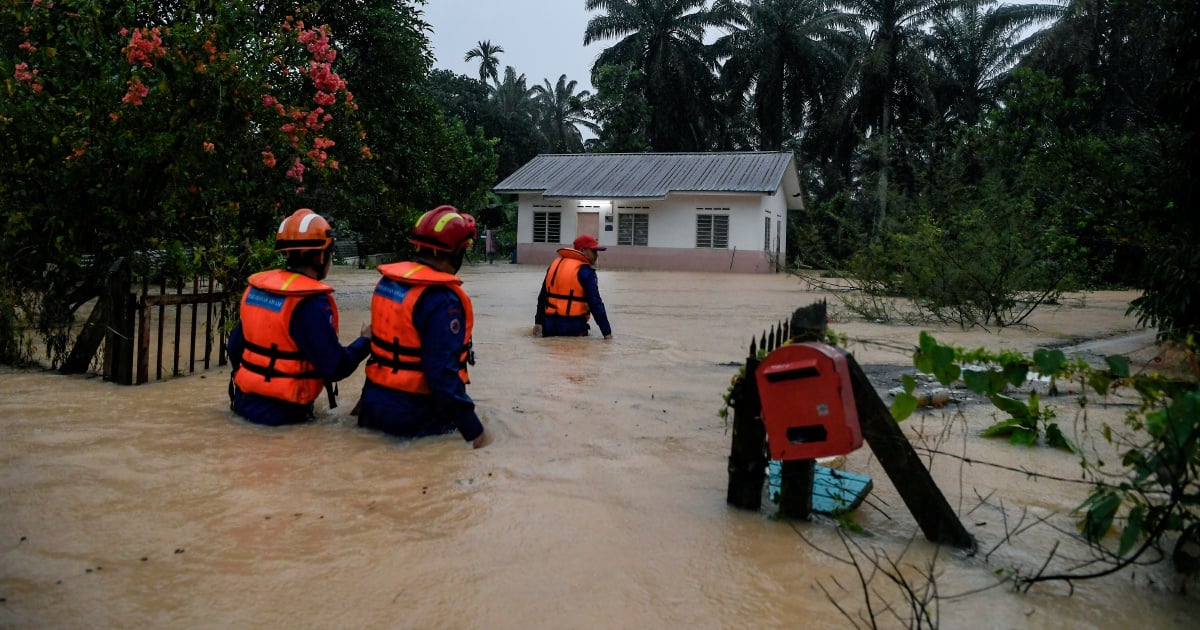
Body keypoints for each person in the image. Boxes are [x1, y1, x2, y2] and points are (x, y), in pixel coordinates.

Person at [355, 205, 492, 449]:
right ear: (457, 252)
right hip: (416, 417)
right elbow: (441, 375)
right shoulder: (442, 300)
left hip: (372, 406)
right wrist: (475, 431)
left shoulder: (388, 283)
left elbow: (382, 352)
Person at [227, 208, 372, 426]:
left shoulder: (258, 291)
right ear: (322, 255)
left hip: (242, 405)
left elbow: (234, 348)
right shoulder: (310, 301)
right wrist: (365, 341)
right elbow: (335, 367)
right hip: (285, 418)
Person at [531, 234, 612, 339]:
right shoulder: (586, 272)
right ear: (583, 251)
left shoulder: (554, 266)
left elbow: (543, 297)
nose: (597, 255)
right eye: (594, 251)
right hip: (573, 327)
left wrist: (538, 322)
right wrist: (607, 333)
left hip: (549, 326)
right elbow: (595, 303)